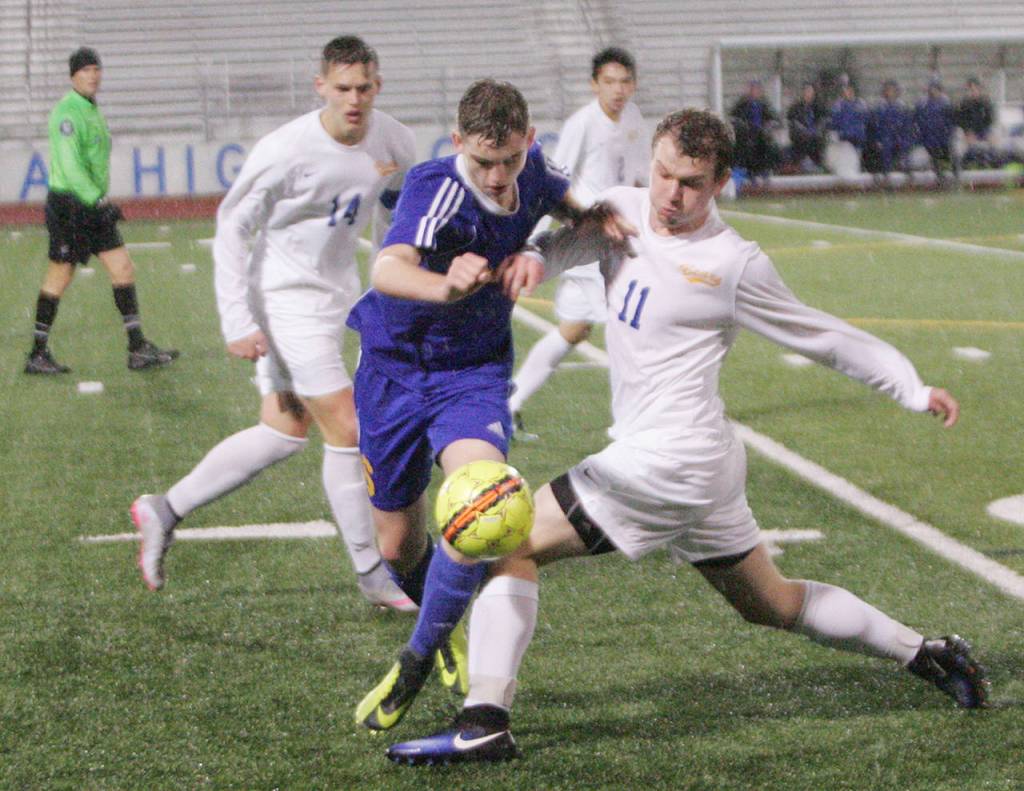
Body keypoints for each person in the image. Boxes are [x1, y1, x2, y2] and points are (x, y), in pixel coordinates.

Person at [371, 108, 990, 765]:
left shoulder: (733, 263)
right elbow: (559, 246)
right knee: (772, 603)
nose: (671, 193)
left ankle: (484, 720)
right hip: (700, 464)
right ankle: (927, 652)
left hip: (670, 460)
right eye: (663, 172)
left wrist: (910, 387)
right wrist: (527, 259)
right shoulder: (622, 210)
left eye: (691, 182)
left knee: (504, 539)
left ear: (721, 181)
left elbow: (823, 335)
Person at [346, 78, 631, 716]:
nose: (499, 177)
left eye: (510, 160)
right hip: (392, 370)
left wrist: (583, 222)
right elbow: (386, 270)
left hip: (470, 374)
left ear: (530, 141)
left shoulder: (535, 172)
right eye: (484, 162)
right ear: (457, 145)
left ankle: (423, 657)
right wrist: (444, 284)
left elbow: (576, 201)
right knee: (396, 546)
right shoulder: (435, 186)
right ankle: (438, 622)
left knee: (481, 499)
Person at [131, 36, 417, 611]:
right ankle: (371, 572)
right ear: (321, 88)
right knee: (348, 427)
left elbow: (398, 210)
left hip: (339, 296)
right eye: (342, 88)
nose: (354, 99)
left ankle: (163, 508)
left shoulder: (394, 139)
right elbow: (234, 223)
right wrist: (237, 318)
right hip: (283, 297)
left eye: (364, 87)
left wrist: (391, 282)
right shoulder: (286, 149)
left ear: (377, 86)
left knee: (283, 431)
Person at [508, 47, 649, 437]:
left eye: (624, 82)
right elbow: (556, 183)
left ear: (633, 84)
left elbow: (637, 177)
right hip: (590, 242)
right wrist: (536, 243)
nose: (618, 90)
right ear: (594, 85)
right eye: (609, 82)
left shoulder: (635, 119)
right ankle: (629, 424)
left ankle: (510, 405)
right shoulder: (582, 124)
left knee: (574, 329)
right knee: (627, 328)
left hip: (617, 241)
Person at [24, 47, 178, 375]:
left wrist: (97, 201)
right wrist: (98, 201)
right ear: (73, 76)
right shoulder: (67, 113)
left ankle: (137, 348)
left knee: (123, 268)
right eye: (86, 70)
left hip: (91, 205)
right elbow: (70, 165)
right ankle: (37, 353)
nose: (93, 75)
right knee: (59, 276)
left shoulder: (92, 110)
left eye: (97, 69)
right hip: (70, 206)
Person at [729, 79, 780, 183]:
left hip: (762, 135)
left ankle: (765, 171)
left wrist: (769, 125)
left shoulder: (764, 104)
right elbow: (733, 118)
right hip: (747, 135)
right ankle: (750, 173)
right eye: (752, 89)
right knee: (747, 147)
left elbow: (775, 119)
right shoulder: (742, 104)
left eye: (757, 89)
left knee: (770, 146)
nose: (754, 92)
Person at [865, 80, 914, 187]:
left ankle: (907, 171)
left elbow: (907, 126)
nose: (890, 93)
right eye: (888, 90)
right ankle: (886, 175)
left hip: (899, 136)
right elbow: (875, 126)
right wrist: (877, 140)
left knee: (905, 146)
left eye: (892, 90)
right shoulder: (879, 108)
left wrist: (905, 138)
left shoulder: (902, 107)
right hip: (885, 137)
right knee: (885, 147)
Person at [914, 80, 959, 187]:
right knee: (934, 157)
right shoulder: (923, 105)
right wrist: (921, 138)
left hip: (943, 139)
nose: (933, 92)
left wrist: (947, 135)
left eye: (935, 89)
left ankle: (956, 178)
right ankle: (941, 179)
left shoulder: (946, 104)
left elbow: (951, 123)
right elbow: (918, 122)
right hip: (929, 140)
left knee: (952, 156)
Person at [956, 77, 996, 169]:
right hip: (969, 132)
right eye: (971, 89)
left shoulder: (985, 102)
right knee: (967, 148)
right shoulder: (964, 104)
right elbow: (960, 120)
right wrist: (967, 132)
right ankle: (968, 165)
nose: (973, 92)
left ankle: (990, 164)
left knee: (993, 144)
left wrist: (988, 132)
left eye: (975, 89)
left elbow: (990, 119)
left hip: (983, 130)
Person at [786, 82, 826, 171]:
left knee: (817, 140)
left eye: (810, 91)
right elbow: (793, 122)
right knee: (803, 139)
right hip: (800, 137)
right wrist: (804, 131)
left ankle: (817, 165)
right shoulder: (795, 108)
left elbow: (823, 121)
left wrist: (816, 130)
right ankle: (801, 163)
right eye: (806, 91)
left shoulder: (819, 107)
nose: (808, 94)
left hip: (816, 137)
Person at [829, 80, 869, 155]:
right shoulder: (838, 105)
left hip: (856, 139)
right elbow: (834, 122)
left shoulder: (861, 103)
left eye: (851, 90)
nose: (849, 92)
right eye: (846, 90)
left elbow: (864, 120)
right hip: (843, 140)